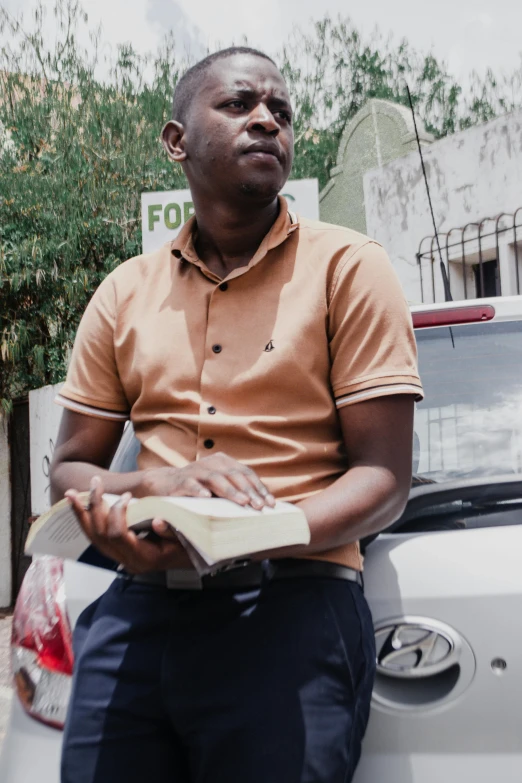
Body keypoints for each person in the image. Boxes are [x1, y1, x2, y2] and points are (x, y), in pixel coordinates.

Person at [51, 46, 423, 783]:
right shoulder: (123, 293)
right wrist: (159, 492)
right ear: (176, 139)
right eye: (240, 104)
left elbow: (384, 476)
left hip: (293, 612)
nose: (266, 121)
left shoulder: (350, 268)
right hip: (136, 609)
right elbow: (69, 467)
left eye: (281, 112)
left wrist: (251, 534)